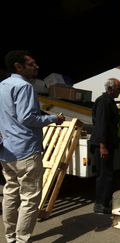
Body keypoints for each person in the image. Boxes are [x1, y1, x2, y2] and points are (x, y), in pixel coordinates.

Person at [0, 50, 65, 243]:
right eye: (31, 64)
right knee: (29, 197)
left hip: (7, 149)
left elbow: (10, 115)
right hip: (26, 150)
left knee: (11, 192)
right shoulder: (25, 87)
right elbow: (27, 117)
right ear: (18, 67)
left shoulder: (2, 85)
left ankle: (10, 237)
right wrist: (54, 118)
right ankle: (21, 240)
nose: (36, 67)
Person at [90, 77, 120, 214]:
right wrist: (103, 145)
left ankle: (103, 203)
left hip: (106, 143)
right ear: (110, 89)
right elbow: (101, 124)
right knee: (104, 175)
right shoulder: (104, 102)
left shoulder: (108, 101)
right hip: (103, 145)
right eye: (118, 89)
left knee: (106, 174)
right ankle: (101, 205)